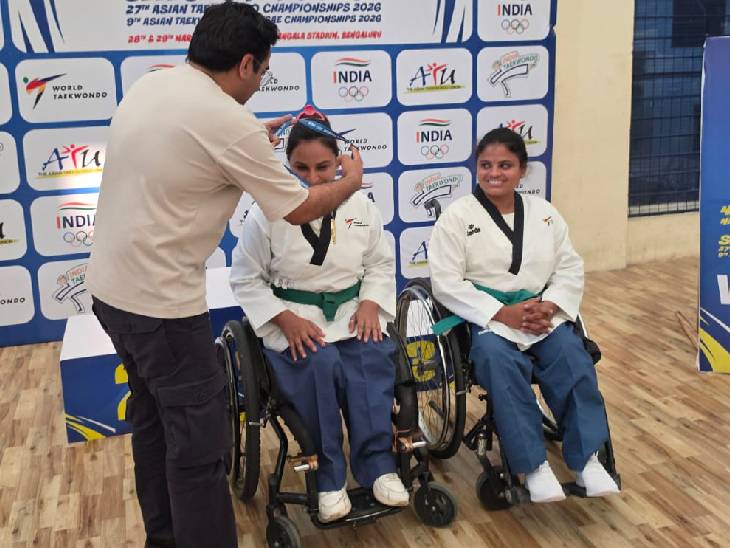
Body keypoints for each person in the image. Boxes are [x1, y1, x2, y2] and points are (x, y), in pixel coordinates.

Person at [85, 4, 364, 547]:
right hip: (163, 310)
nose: (260, 84)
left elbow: (194, 138)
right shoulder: (228, 124)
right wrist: (349, 182)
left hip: (110, 294)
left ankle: (164, 539)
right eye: (263, 72)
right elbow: (301, 207)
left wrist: (252, 134)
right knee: (199, 450)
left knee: (153, 424)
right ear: (244, 64)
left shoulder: (155, 84)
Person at [229, 109, 409, 523]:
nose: (312, 178)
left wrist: (370, 303)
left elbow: (380, 264)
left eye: (323, 167)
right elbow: (246, 278)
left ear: (340, 162)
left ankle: (378, 466)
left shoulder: (361, 205)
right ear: (287, 164)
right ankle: (328, 476)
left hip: (351, 311)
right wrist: (283, 319)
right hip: (295, 318)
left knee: (370, 359)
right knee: (318, 363)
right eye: (301, 168)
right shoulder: (266, 211)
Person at [428, 128, 620, 503]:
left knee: (573, 358)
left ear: (522, 170)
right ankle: (533, 466)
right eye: (486, 165)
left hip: (539, 314)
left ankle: (587, 460)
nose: (494, 173)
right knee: (499, 363)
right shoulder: (457, 217)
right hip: (487, 319)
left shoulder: (544, 213)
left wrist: (551, 305)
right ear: (476, 167)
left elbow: (569, 266)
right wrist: (502, 313)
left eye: (505, 165)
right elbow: (446, 282)